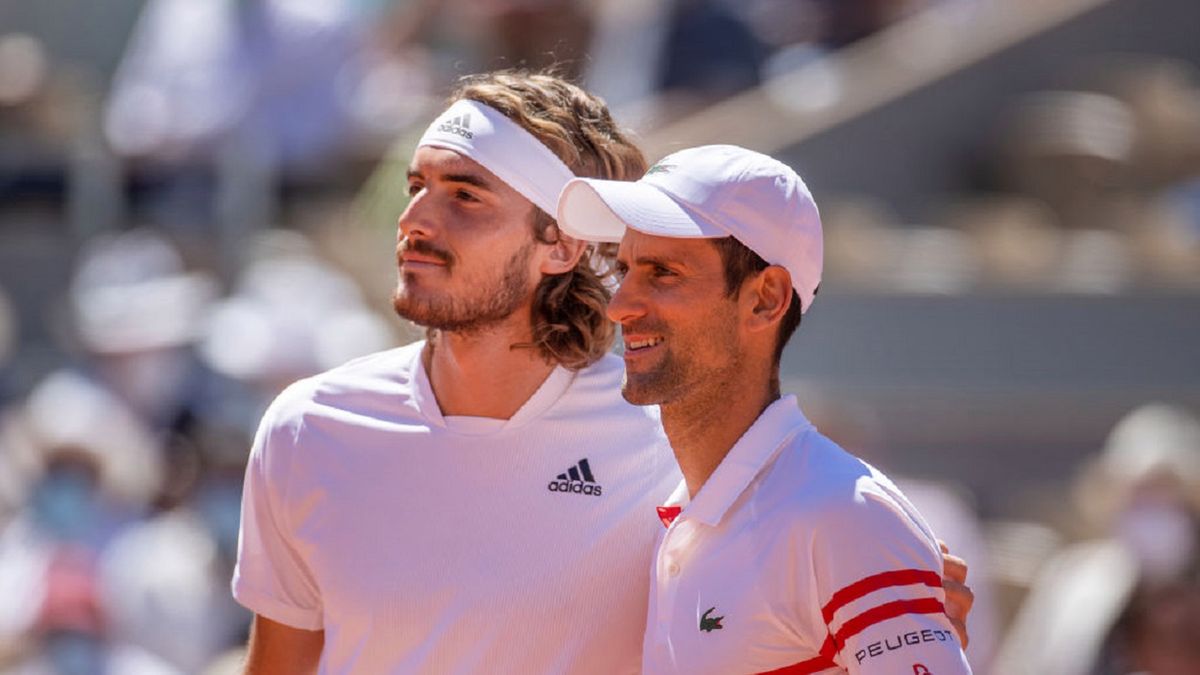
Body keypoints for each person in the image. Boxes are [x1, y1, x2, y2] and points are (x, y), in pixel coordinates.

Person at [232, 72, 972, 674]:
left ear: (558, 246)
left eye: (464, 194)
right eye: (416, 185)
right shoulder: (305, 428)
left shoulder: (690, 460)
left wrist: (878, 606)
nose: (416, 218)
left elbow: (805, 574)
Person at [556, 144, 974, 673]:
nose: (620, 304)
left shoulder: (846, 515)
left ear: (766, 298)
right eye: (625, 269)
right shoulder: (676, 511)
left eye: (662, 272)